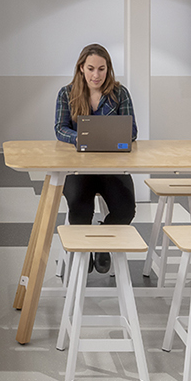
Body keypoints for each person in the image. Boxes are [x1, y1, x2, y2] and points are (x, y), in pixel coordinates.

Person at [54, 43, 138, 273]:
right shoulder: (66, 93)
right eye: (91, 68)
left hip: (113, 168)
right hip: (79, 169)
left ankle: (101, 245)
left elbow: (132, 132)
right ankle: (86, 249)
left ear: (108, 68)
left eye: (102, 69)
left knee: (126, 210)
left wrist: (108, 136)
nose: (96, 75)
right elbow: (60, 129)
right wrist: (83, 138)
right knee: (79, 213)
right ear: (81, 68)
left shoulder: (120, 93)